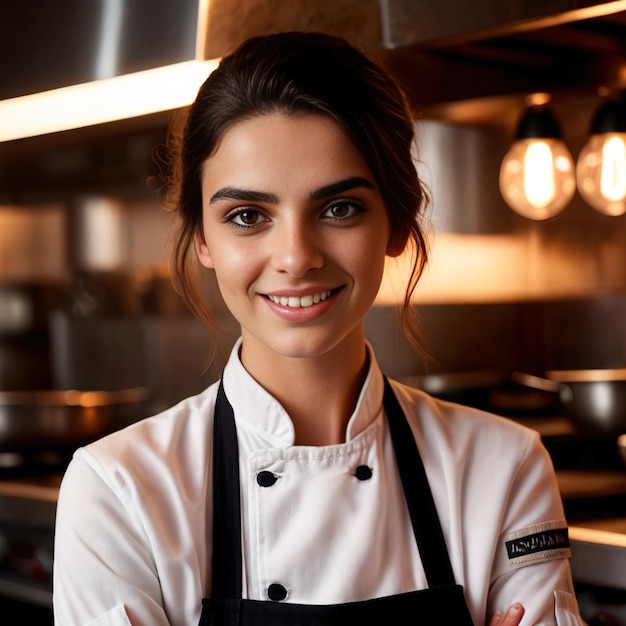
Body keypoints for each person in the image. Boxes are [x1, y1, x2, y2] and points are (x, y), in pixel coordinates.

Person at [53, 32, 585, 626]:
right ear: (202, 238)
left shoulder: (503, 467)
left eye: (339, 208)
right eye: (248, 216)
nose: (296, 256)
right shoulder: (119, 491)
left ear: (397, 224)